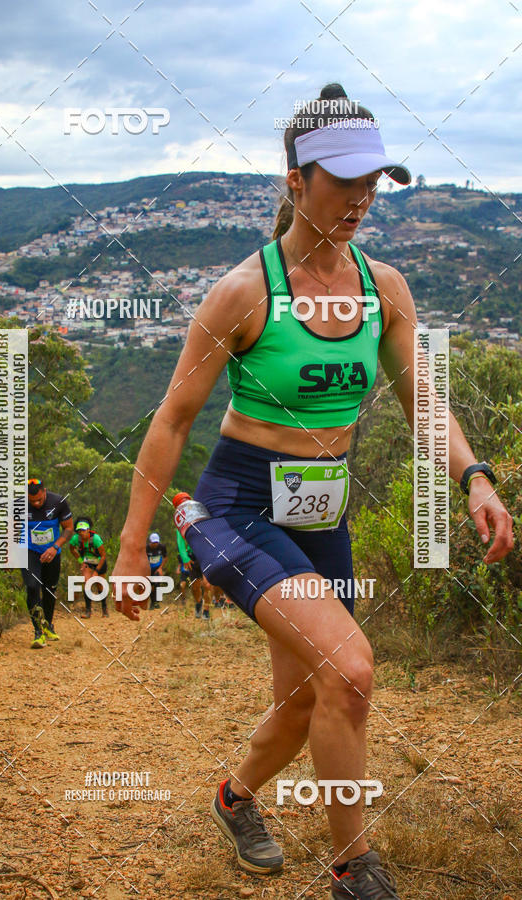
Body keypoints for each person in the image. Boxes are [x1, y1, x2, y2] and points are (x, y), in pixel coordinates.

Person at [112, 83, 514, 899]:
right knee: (353, 671)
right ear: (295, 181)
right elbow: (171, 420)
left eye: (374, 182)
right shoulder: (244, 292)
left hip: (321, 513)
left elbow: (423, 403)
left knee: (306, 704)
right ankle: (352, 868)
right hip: (236, 507)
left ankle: (233, 799)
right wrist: (130, 547)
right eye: (343, 179)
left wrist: (474, 476)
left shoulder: (384, 288)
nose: (362, 197)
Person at [24, 478, 73, 649]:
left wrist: (55, 547)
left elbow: (68, 528)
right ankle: (38, 632)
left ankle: (48, 625)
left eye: (39, 499)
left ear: (45, 492)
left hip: (52, 552)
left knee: (49, 589)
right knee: (32, 587)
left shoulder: (58, 502)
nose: (36, 503)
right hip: (30, 552)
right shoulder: (19, 505)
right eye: (32, 501)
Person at [69, 516, 108, 618]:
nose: (81, 533)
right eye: (79, 531)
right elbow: (72, 549)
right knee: (87, 582)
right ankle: (88, 611)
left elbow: (103, 555)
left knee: (100, 585)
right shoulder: (75, 539)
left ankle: (104, 609)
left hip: (100, 562)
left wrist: (97, 571)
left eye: (83, 530)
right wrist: (81, 561)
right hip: (87, 562)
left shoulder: (96, 539)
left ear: (88, 530)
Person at [176, 528, 211, 619]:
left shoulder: (207, 517)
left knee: (207, 585)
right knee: (195, 588)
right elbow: (180, 537)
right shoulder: (184, 518)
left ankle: (206, 611)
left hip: (206, 555)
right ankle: (198, 602)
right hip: (192, 557)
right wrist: (184, 557)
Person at [146, 532, 167, 609]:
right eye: (154, 542)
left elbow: (165, 557)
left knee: (156, 583)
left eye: (157, 542)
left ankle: (156, 603)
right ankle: (153, 602)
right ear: (150, 541)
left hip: (157, 569)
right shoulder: (146, 548)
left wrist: (160, 568)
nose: (155, 544)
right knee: (151, 586)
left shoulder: (162, 547)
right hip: (149, 569)